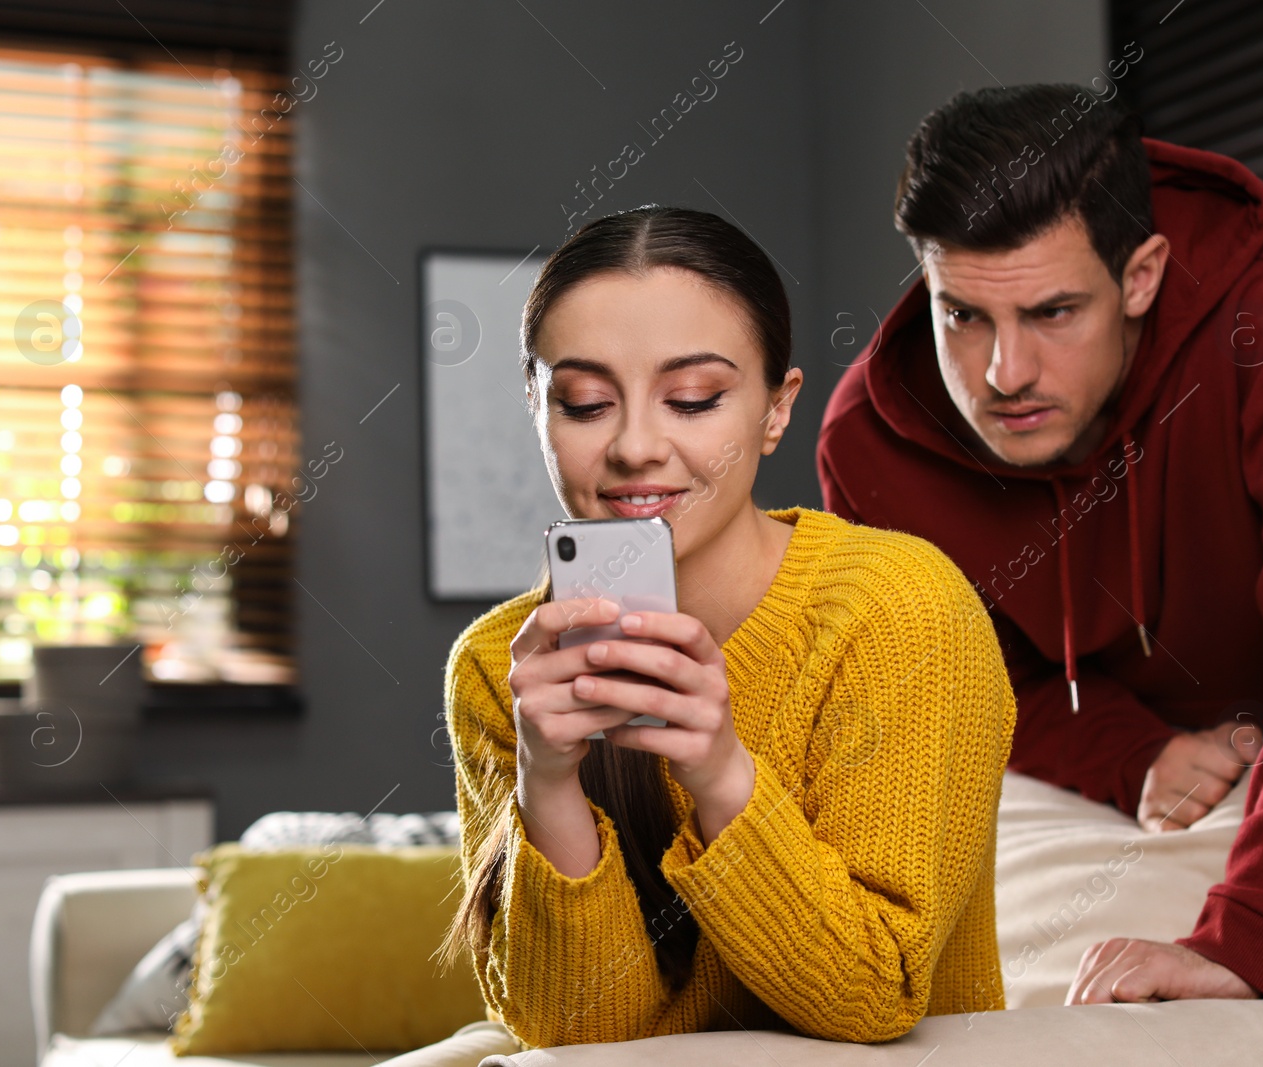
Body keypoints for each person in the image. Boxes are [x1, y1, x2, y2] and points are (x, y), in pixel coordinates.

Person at [817, 83, 1263, 1005]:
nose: (1005, 373)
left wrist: (1247, 935)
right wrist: (1134, 754)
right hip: (1204, 767)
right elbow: (977, 685)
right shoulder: (869, 449)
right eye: (964, 314)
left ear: (1141, 276)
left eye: (1053, 313)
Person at [435, 205, 1016, 1051]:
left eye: (693, 399)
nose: (636, 446)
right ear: (537, 407)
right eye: (586, 403)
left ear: (776, 411)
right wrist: (549, 784)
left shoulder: (900, 609)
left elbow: (874, 997)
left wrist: (720, 772)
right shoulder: (500, 668)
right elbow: (576, 1041)